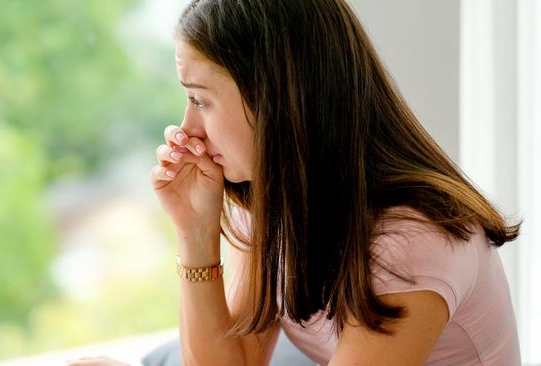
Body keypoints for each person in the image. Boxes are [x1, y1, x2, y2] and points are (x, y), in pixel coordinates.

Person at [69, 0, 521, 365]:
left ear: (271, 98)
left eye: (199, 100)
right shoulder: (275, 198)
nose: (187, 129)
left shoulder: (411, 240)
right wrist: (195, 231)